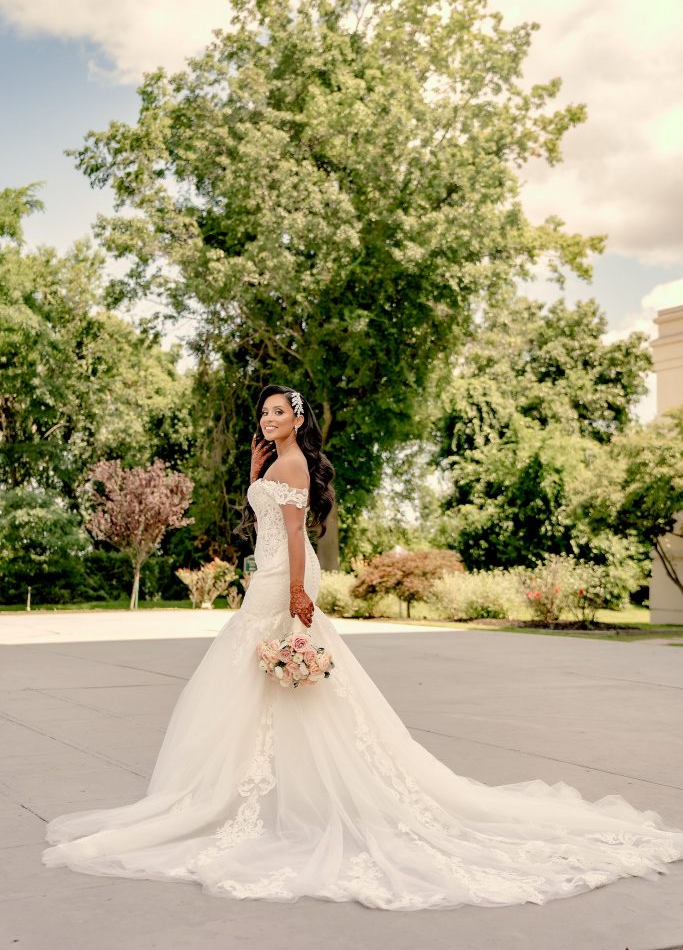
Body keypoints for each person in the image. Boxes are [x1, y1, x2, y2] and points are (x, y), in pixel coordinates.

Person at [42, 384, 683, 910]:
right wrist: (258, 488)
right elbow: (269, 519)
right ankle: (255, 791)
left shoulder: (291, 464)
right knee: (253, 683)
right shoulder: (268, 459)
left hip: (282, 577)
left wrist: (295, 594)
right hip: (267, 574)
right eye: (263, 413)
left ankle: (293, 798)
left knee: (283, 671)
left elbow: (297, 537)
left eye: (279, 412)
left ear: (299, 418)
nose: (268, 420)